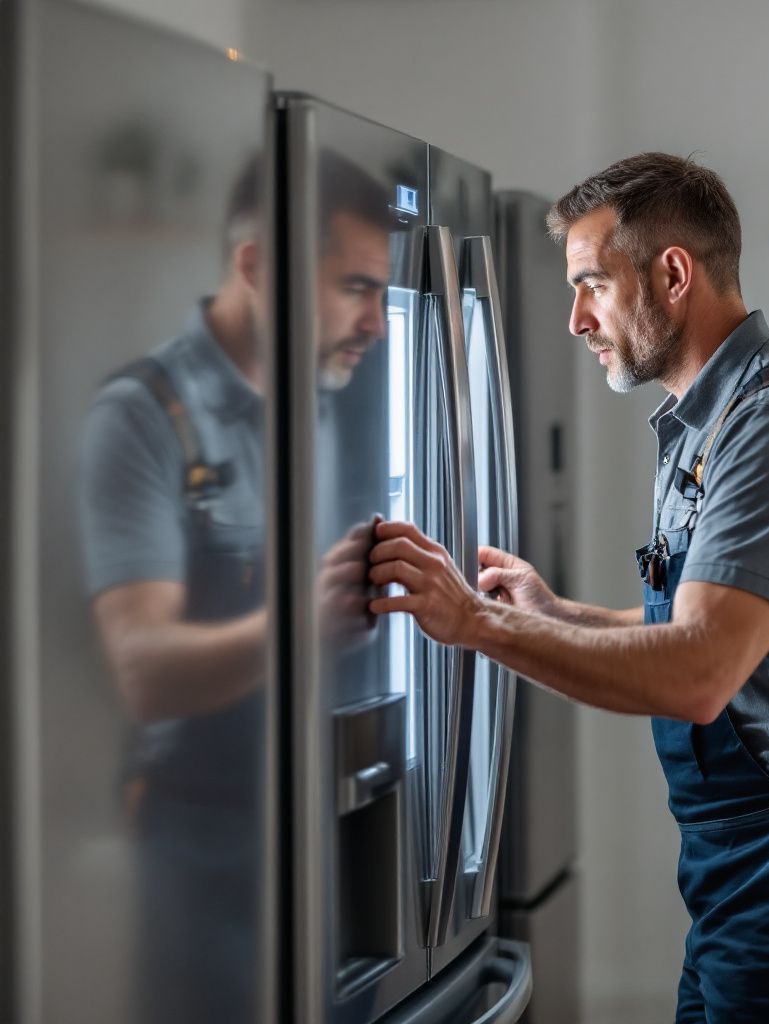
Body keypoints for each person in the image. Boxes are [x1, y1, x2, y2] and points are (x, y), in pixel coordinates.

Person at [368, 152, 769, 1023]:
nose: (575, 320)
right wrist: (560, 615)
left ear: (673, 274)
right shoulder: (713, 423)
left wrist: (473, 622)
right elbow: (721, 629)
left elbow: (698, 672)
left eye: (592, 284)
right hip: (754, 870)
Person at [78, 149, 393, 1023]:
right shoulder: (141, 416)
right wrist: (305, 624)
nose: (378, 323)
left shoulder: (316, 395)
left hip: (319, 823)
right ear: (258, 267)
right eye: (357, 288)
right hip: (202, 851)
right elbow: (142, 669)